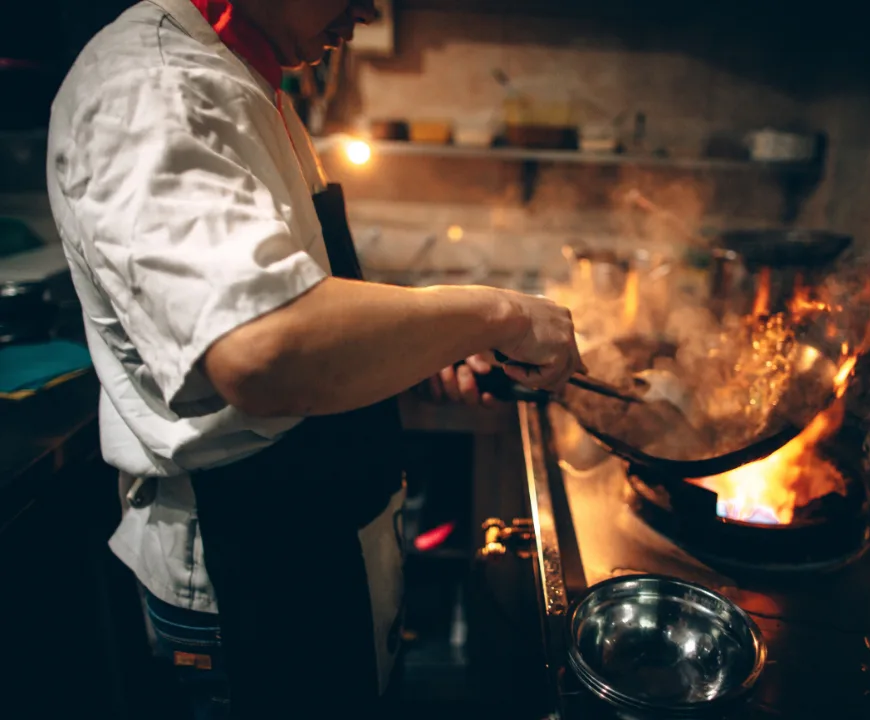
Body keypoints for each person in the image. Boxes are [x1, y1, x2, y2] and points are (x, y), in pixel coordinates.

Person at [45, 1, 583, 717]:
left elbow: (299, 311)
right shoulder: (157, 85)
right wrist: (497, 312)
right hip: (250, 573)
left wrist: (423, 347)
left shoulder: (242, 78)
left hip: (315, 544)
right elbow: (264, 350)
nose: (368, 10)